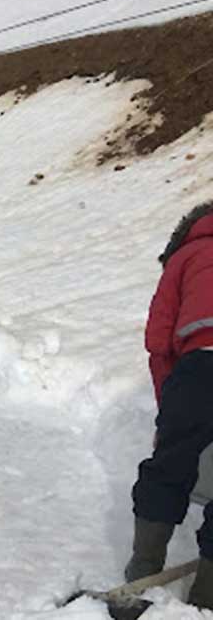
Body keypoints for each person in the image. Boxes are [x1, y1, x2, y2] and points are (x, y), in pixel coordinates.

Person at [125, 201, 213, 608]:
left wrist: (169, 409)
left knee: (168, 470)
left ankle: (141, 577)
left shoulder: (184, 257)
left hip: (199, 365)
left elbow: (159, 341)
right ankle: (207, 598)